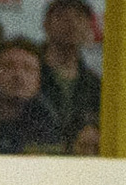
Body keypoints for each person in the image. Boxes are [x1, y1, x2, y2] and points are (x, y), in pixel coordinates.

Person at [37, 0, 98, 145]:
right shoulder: (27, 72)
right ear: (46, 24)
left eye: (79, 16)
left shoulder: (94, 84)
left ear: (89, 26)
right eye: (61, 16)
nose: (71, 23)